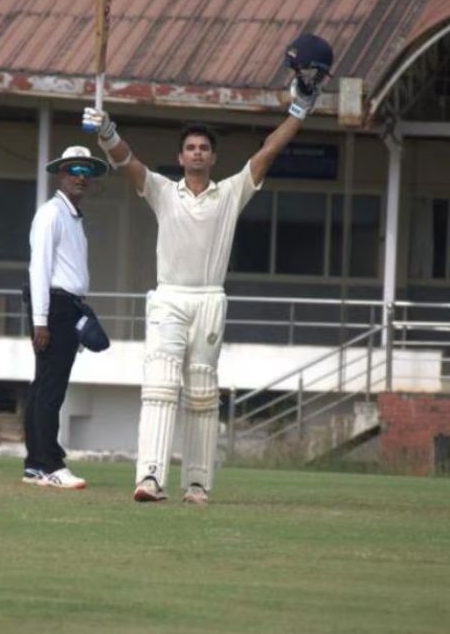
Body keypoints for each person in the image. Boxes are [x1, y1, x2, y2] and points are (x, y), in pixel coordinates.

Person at [82, 71, 322, 504]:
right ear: (181, 156)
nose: (196, 153)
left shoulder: (229, 194)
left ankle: (197, 484)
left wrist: (299, 112)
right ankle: (150, 478)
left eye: (204, 148)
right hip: (169, 298)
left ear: (212, 157)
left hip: (209, 299)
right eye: (190, 148)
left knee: (202, 393)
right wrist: (106, 133)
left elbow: (268, 153)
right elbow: (127, 162)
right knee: (159, 385)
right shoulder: (162, 191)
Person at [21, 145, 107, 490]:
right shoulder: (51, 214)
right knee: (50, 389)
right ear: (61, 174)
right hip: (53, 306)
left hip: (66, 306)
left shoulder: (71, 215)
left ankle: (35, 465)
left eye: (86, 172)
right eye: (73, 170)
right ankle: (49, 464)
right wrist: (40, 320)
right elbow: (38, 268)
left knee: (44, 386)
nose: (80, 177)